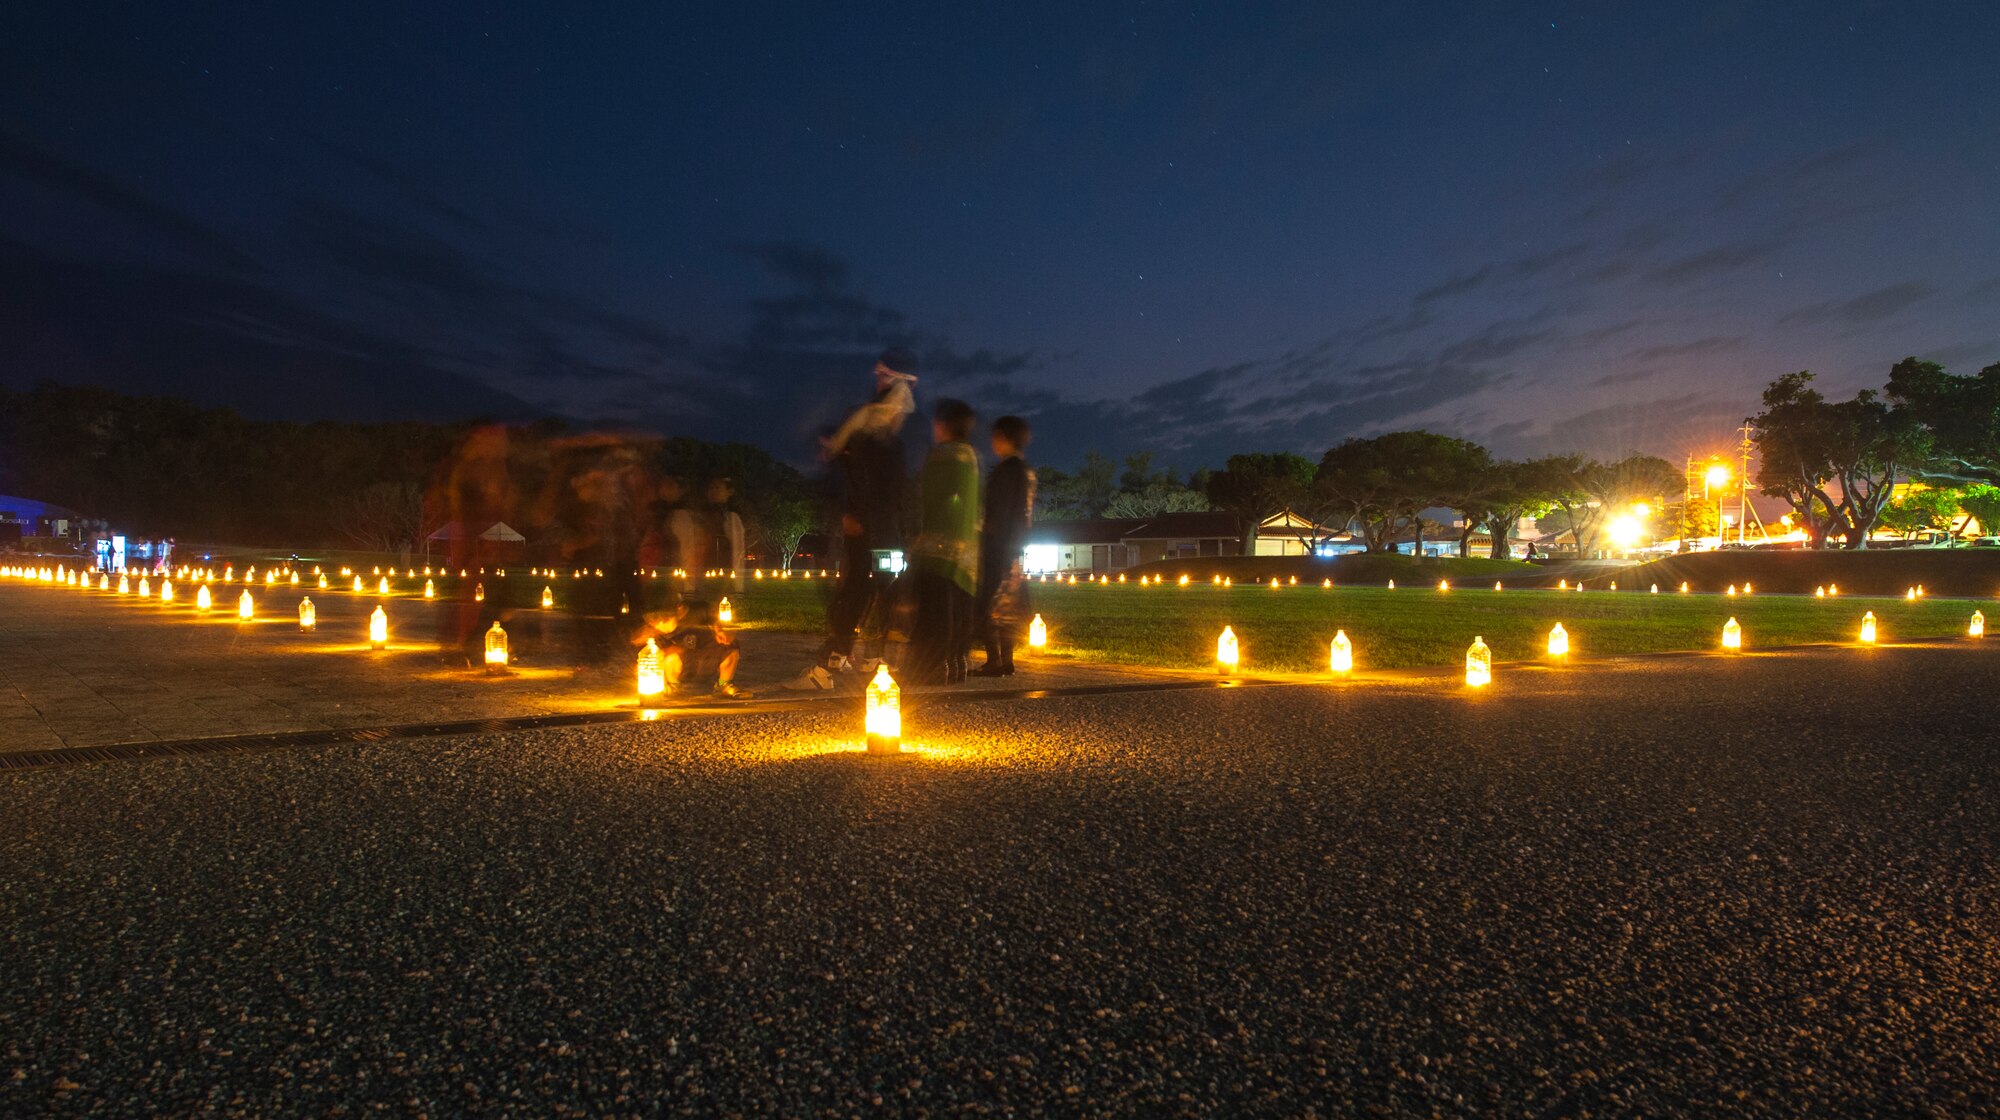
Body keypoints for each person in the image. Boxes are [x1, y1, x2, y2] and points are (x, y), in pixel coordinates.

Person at [787, 348, 917, 691]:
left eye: (883, 376)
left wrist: (856, 515)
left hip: (871, 529)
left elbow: (873, 483)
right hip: (885, 530)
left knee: (858, 592)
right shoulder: (885, 442)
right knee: (877, 590)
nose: (877, 381)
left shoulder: (875, 440)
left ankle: (826, 669)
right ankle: (870, 659)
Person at [905, 398, 980, 684]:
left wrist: (916, 537)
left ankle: (930, 667)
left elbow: (926, 500)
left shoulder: (941, 456)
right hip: (965, 552)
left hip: (937, 547)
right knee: (958, 612)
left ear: (943, 424)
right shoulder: (970, 457)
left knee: (934, 612)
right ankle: (955, 664)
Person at [974, 415, 1035, 676]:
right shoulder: (1026, 472)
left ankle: (994, 661)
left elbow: (995, 514)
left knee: (990, 605)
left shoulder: (1003, 472)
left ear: (1003, 438)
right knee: (1007, 608)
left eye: (995, 437)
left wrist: (985, 540)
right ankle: (1007, 660)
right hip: (1016, 549)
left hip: (999, 548)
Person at [647, 598, 750, 698]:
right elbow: (655, 659)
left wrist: (719, 629)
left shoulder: (697, 611)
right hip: (681, 666)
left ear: (680, 610)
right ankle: (673, 687)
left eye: (665, 620)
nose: (660, 625)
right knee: (669, 658)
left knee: (730, 648)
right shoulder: (656, 634)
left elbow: (713, 616)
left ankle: (724, 684)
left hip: (706, 656)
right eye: (656, 622)